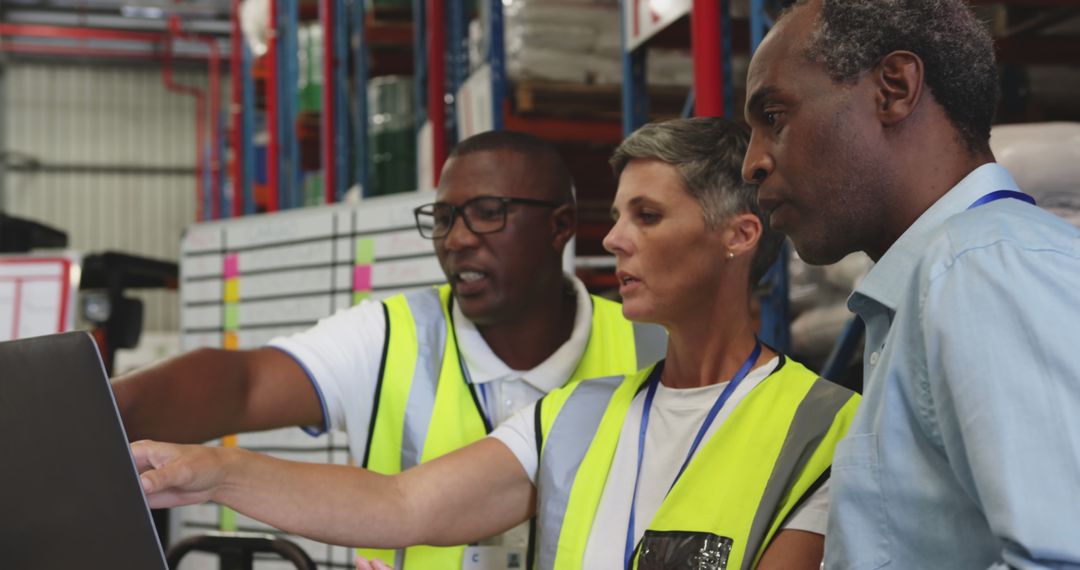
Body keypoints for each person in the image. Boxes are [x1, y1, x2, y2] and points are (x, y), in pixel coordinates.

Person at [132, 117, 860, 570]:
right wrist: (214, 472)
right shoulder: (577, 416)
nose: (613, 240)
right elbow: (401, 507)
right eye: (615, 215)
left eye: (647, 215)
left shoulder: (825, 431)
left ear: (739, 237)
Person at [112, 130, 663, 568]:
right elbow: (243, 383)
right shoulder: (390, 336)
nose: (457, 238)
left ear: (560, 226)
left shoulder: (649, 346)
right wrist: (99, 405)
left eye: (488, 212)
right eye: (444, 218)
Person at [742, 0, 1080, 567]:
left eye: (773, 116)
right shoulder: (942, 282)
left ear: (894, 89)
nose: (752, 162)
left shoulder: (980, 268)